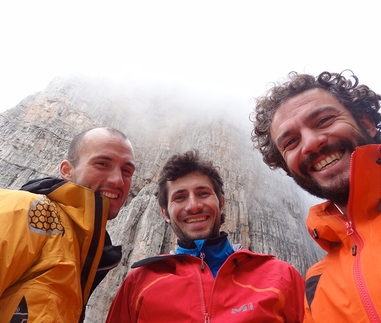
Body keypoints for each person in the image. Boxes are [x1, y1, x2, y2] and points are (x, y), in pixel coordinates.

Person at [0, 127, 136, 323]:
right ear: (67, 170)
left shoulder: (79, 250)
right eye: (102, 164)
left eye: (127, 171)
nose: (117, 180)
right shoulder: (21, 209)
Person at [105, 150, 305, 323]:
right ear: (165, 213)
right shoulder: (139, 283)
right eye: (180, 197)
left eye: (202, 193)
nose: (193, 206)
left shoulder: (281, 277)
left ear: (222, 203)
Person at [251, 70, 381, 322]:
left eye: (324, 120)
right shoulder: (315, 287)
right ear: (288, 167)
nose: (310, 143)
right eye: (291, 142)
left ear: (365, 123)